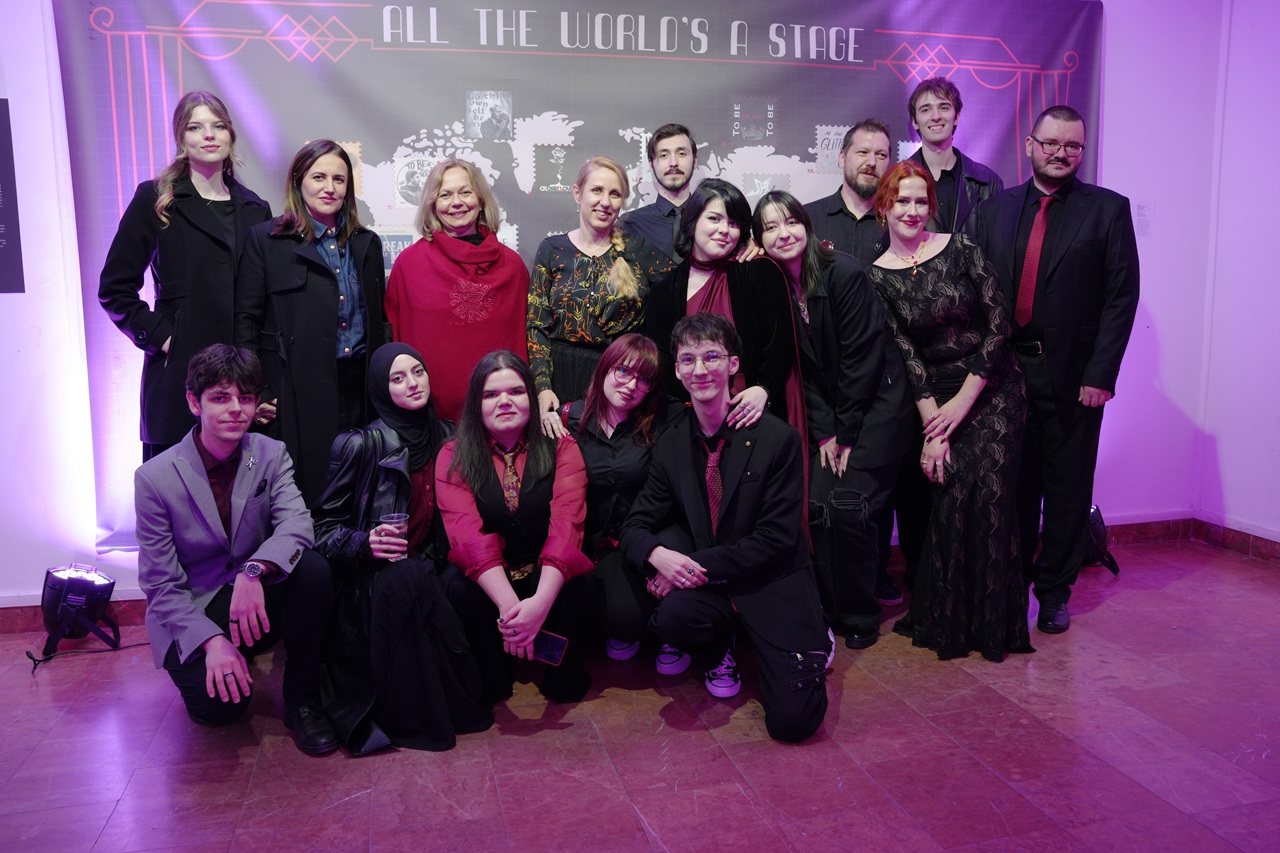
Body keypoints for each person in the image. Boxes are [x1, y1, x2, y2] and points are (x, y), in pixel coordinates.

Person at [620, 313, 829, 743]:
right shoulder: (672, 445)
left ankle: (812, 635)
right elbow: (635, 525)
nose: (700, 369)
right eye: (688, 360)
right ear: (678, 371)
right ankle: (720, 651)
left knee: (794, 724)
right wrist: (658, 556)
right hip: (716, 588)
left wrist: (686, 568)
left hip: (771, 582)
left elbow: (775, 541)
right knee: (671, 618)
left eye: (711, 356)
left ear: (733, 364)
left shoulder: (778, 439)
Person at [974, 105, 1140, 635]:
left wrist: (1101, 374)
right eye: (1051, 143)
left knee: (1067, 490)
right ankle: (1011, 586)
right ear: (1030, 145)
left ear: (1081, 151)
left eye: (1072, 146)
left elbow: (1121, 298)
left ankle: (1053, 593)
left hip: (1074, 377)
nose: (1060, 153)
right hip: (1005, 374)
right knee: (1012, 487)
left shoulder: (1108, 210)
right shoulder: (994, 210)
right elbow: (975, 293)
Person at [864, 161, 1033, 662]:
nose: (912, 210)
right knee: (951, 499)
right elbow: (907, 357)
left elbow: (1000, 325)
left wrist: (964, 399)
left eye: (921, 201)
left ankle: (995, 626)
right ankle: (952, 622)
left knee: (992, 497)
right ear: (884, 207)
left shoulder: (961, 248)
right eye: (902, 200)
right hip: (936, 398)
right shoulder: (877, 276)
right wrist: (933, 431)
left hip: (995, 387)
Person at [134, 344, 336, 755]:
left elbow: (298, 524)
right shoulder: (154, 478)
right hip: (195, 606)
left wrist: (254, 569)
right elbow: (161, 585)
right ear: (195, 403)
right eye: (220, 398)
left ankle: (302, 700)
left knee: (313, 570)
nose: (235, 409)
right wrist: (211, 641)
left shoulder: (270, 454)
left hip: (251, 595)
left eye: (245, 398)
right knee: (220, 710)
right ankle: (221, 654)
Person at [312, 342, 494, 753]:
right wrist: (363, 541)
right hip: (374, 581)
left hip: (430, 569)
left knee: (455, 578)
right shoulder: (359, 444)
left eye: (417, 371)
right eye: (398, 378)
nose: (413, 383)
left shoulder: (451, 436)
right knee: (411, 575)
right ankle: (416, 715)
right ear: (381, 387)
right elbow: (320, 527)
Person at [753, 191, 913, 649]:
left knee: (848, 507)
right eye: (770, 227)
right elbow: (802, 372)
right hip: (834, 420)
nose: (783, 234)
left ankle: (860, 612)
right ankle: (827, 607)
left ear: (806, 226)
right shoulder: (775, 286)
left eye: (790, 222)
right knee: (815, 507)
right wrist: (824, 433)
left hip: (877, 410)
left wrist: (845, 433)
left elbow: (861, 362)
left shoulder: (843, 272)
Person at [99, 91, 271, 461]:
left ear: (230, 135)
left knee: (239, 490)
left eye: (218, 126)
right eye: (196, 127)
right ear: (181, 138)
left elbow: (263, 300)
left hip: (241, 377)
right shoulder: (156, 198)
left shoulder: (257, 209)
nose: (208, 135)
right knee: (174, 487)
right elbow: (114, 288)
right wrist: (164, 338)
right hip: (180, 373)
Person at [436, 350, 598, 705]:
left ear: (531, 397)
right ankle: (494, 674)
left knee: (580, 582)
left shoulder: (561, 445)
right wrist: (514, 613)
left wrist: (538, 605)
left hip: (544, 570)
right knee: (456, 587)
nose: (505, 401)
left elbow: (567, 525)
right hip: (491, 580)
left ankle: (561, 677)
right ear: (476, 403)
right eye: (491, 394)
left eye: (516, 391)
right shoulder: (453, 455)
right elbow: (466, 536)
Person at [235, 140, 388, 506]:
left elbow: (379, 321)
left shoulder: (367, 243)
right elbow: (246, 321)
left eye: (339, 179)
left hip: (359, 390)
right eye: (319, 177)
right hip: (296, 393)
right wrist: (257, 390)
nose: (329, 187)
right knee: (306, 496)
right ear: (298, 182)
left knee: (359, 493)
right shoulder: (268, 240)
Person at [561, 334, 687, 673]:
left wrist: (759, 392)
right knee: (621, 619)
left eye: (644, 380)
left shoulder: (664, 417)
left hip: (653, 532)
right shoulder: (570, 418)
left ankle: (676, 631)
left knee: (657, 598)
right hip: (603, 543)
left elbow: (709, 405)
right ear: (605, 368)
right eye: (623, 371)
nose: (632, 386)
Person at [643, 179, 800, 430]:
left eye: (734, 223)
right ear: (692, 222)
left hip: (752, 413)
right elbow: (662, 363)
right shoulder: (664, 288)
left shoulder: (759, 271)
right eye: (714, 219)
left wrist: (763, 390)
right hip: (687, 420)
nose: (725, 230)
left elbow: (780, 345)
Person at [527, 155, 669, 424]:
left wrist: (742, 249)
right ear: (577, 194)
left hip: (619, 383)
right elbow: (537, 325)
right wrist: (542, 386)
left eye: (614, 194)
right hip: (559, 382)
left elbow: (686, 283)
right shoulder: (552, 249)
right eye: (596, 190)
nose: (605, 202)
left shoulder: (637, 249)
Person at [386, 158, 529, 421]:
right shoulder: (409, 265)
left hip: (502, 416)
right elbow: (394, 342)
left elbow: (525, 342)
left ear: (481, 200)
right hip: (432, 421)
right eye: (445, 195)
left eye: (465, 192)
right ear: (432, 204)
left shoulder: (513, 266)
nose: (457, 202)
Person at [904, 77, 1003, 236]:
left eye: (944, 107)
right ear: (915, 121)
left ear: (956, 116)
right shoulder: (896, 181)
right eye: (926, 110)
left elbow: (996, 243)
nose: (936, 116)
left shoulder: (988, 182)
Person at [804, 118, 891, 267]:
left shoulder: (898, 222)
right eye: (863, 152)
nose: (872, 162)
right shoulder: (807, 217)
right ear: (842, 157)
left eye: (881, 155)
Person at [620, 123, 700, 264]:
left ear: (694, 161)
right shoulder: (630, 224)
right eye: (664, 155)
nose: (673, 163)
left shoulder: (716, 222)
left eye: (681, 154)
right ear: (651, 165)